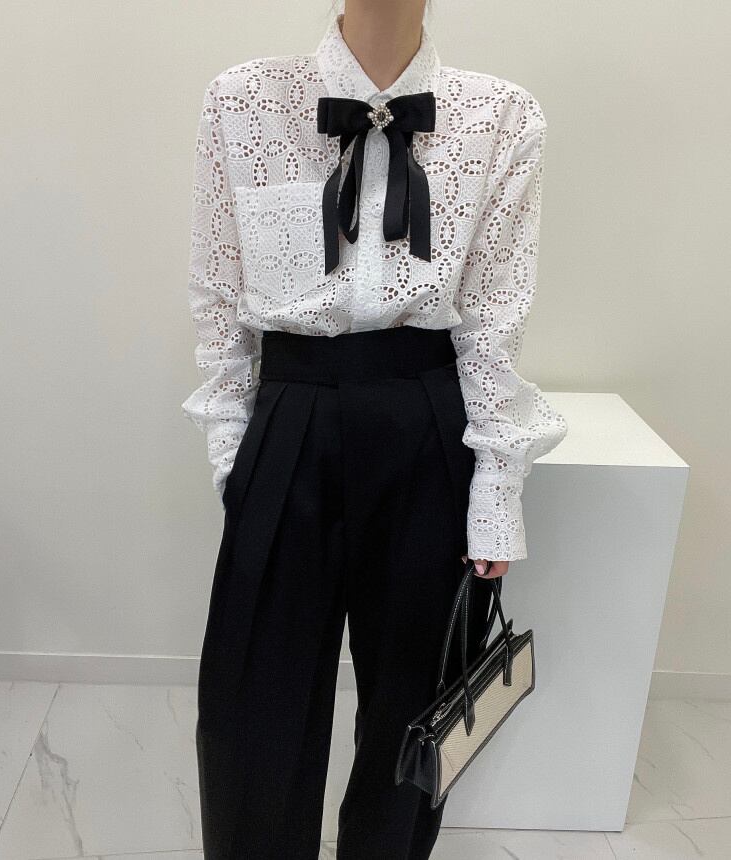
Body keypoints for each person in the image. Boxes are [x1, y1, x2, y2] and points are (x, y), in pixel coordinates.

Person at [181, 1, 567, 856]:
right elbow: (219, 297)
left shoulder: (503, 116)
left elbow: (495, 319)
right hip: (290, 416)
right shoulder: (242, 100)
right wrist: (236, 458)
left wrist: (496, 494)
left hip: (425, 421)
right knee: (253, 702)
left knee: (414, 707)